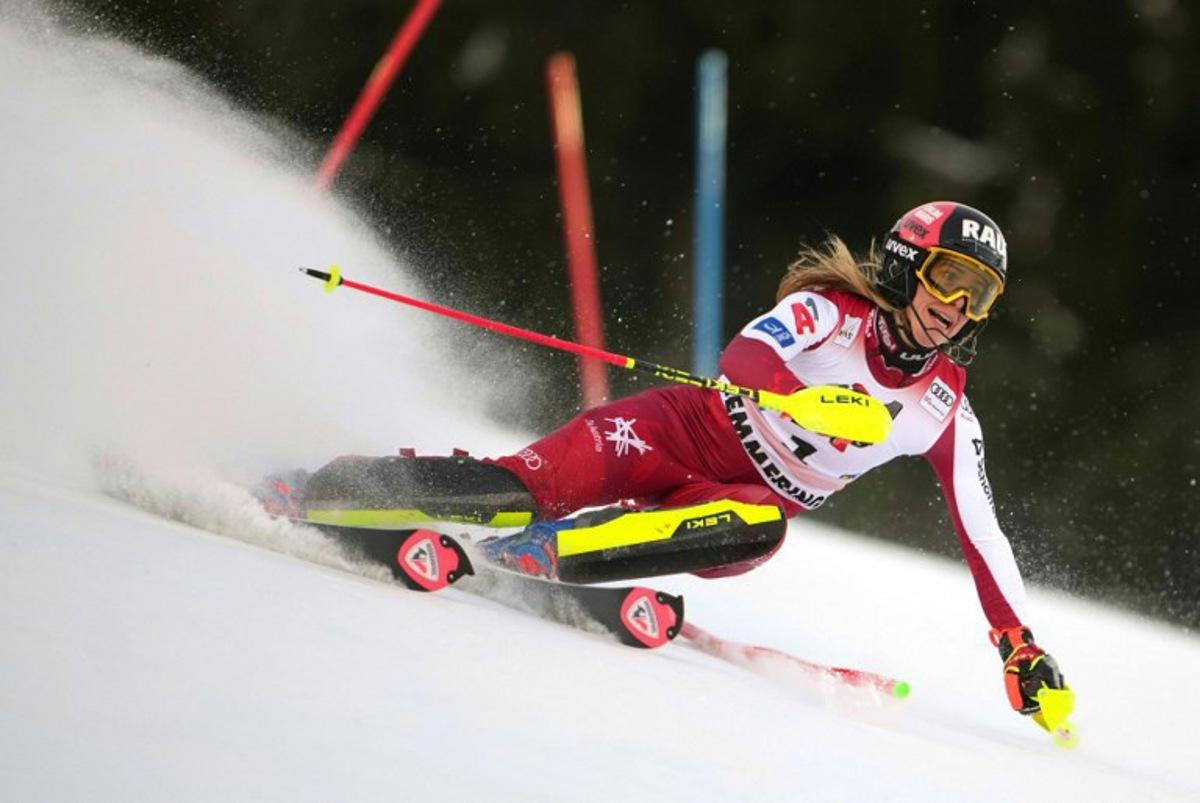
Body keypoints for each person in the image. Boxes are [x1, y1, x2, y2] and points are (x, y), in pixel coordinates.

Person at [257, 200, 1067, 720]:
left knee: (761, 527)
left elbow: (982, 531)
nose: (957, 307)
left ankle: (539, 557)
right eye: (951, 278)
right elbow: (746, 353)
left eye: (981, 295)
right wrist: (797, 395)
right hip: (674, 430)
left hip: (726, 501)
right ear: (906, 263)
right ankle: (321, 487)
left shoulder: (944, 409)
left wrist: (1018, 643)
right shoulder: (831, 312)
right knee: (519, 488)